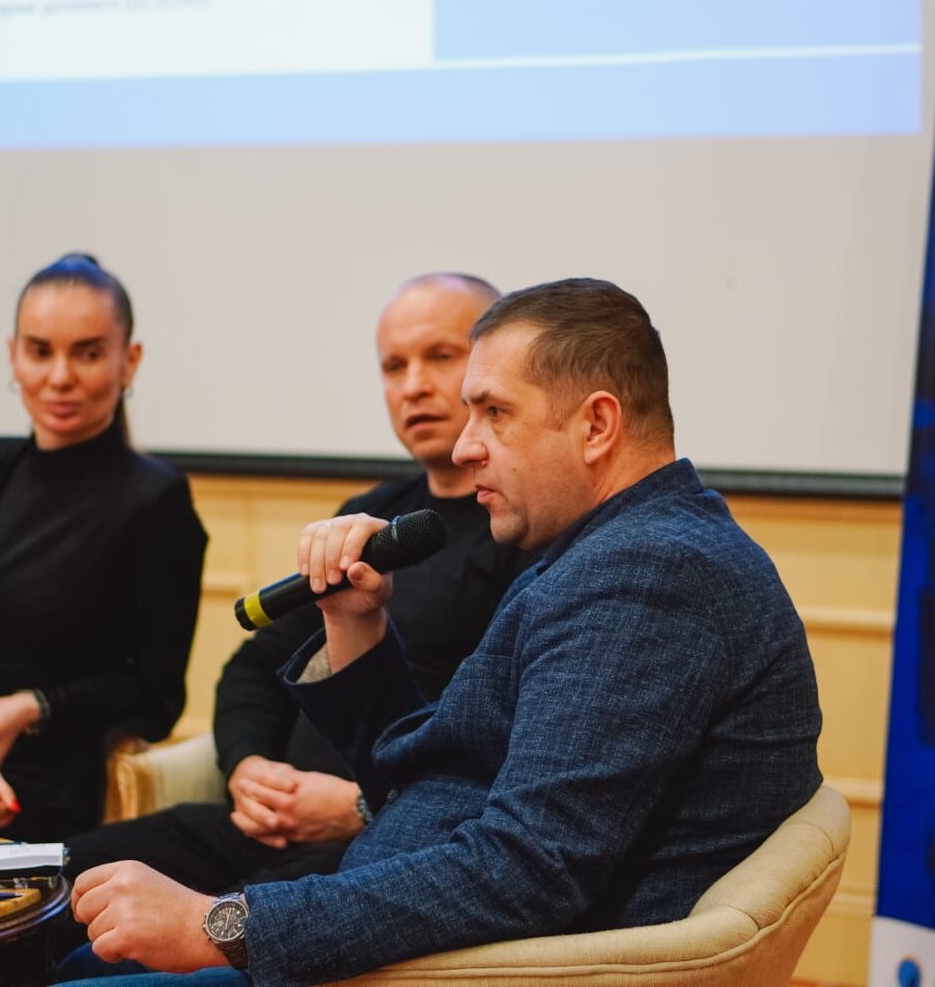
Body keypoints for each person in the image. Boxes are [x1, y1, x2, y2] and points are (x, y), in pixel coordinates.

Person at [61, 277, 822, 987]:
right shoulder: (613, 548)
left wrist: (220, 923)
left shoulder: (646, 577)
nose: (465, 446)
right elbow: (438, 774)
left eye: (495, 412)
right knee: (73, 953)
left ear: (596, 424)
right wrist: (355, 622)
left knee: (69, 970)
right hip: (408, 932)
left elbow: (529, 869)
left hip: (449, 970)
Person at [61, 271, 533, 895]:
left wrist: (360, 806)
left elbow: (504, 741)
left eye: (440, 357)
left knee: (122, 938)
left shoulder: (520, 529)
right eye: (394, 366)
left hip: (388, 841)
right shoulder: (367, 515)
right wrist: (248, 769)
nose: (414, 385)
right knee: (55, 879)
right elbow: (256, 666)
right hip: (266, 828)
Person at [0, 253, 207, 842]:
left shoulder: (157, 501)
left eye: (88, 353)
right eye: (40, 351)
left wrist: (34, 706)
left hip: (46, 782)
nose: (60, 376)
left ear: (129, 361)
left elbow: (155, 696)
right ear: (13, 355)